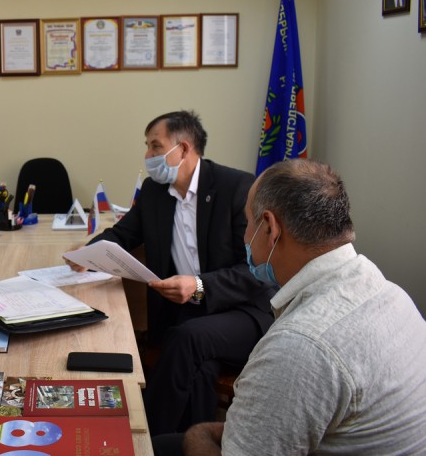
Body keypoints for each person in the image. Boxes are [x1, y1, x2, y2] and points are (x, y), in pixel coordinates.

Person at [179, 159, 426, 455]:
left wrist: (196, 434)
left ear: (270, 227)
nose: (245, 237)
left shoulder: (299, 347)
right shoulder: (392, 294)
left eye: (248, 224)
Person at [73, 110, 277, 435]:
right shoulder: (154, 192)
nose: (148, 155)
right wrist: (88, 253)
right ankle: (187, 443)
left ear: (182, 149)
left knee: (187, 339)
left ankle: (145, 435)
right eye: (147, 146)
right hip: (188, 314)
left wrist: (199, 285)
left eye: (155, 146)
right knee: (200, 368)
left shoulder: (236, 187)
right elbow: (124, 234)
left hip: (243, 311)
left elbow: (257, 269)